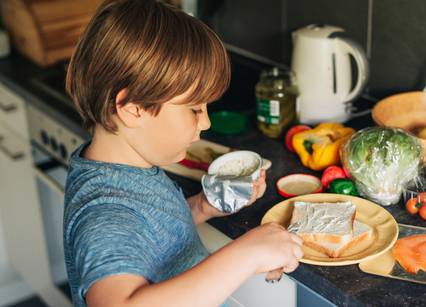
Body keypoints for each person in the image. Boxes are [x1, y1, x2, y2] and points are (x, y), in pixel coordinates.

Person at [63, 1, 303, 306]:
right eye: (194, 108)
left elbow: (152, 237)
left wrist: (202, 207)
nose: (206, 122)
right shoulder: (107, 213)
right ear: (133, 108)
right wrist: (247, 255)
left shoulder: (125, 168)